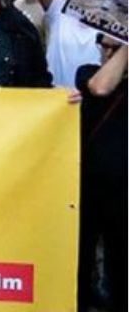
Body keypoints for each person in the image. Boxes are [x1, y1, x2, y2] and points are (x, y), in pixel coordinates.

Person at [75, 39, 126, 311]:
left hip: (123, 192)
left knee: (120, 260)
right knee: (81, 258)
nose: (106, 53)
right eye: (103, 46)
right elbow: (101, 87)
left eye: (113, 48)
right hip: (88, 186)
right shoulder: (87, 73)